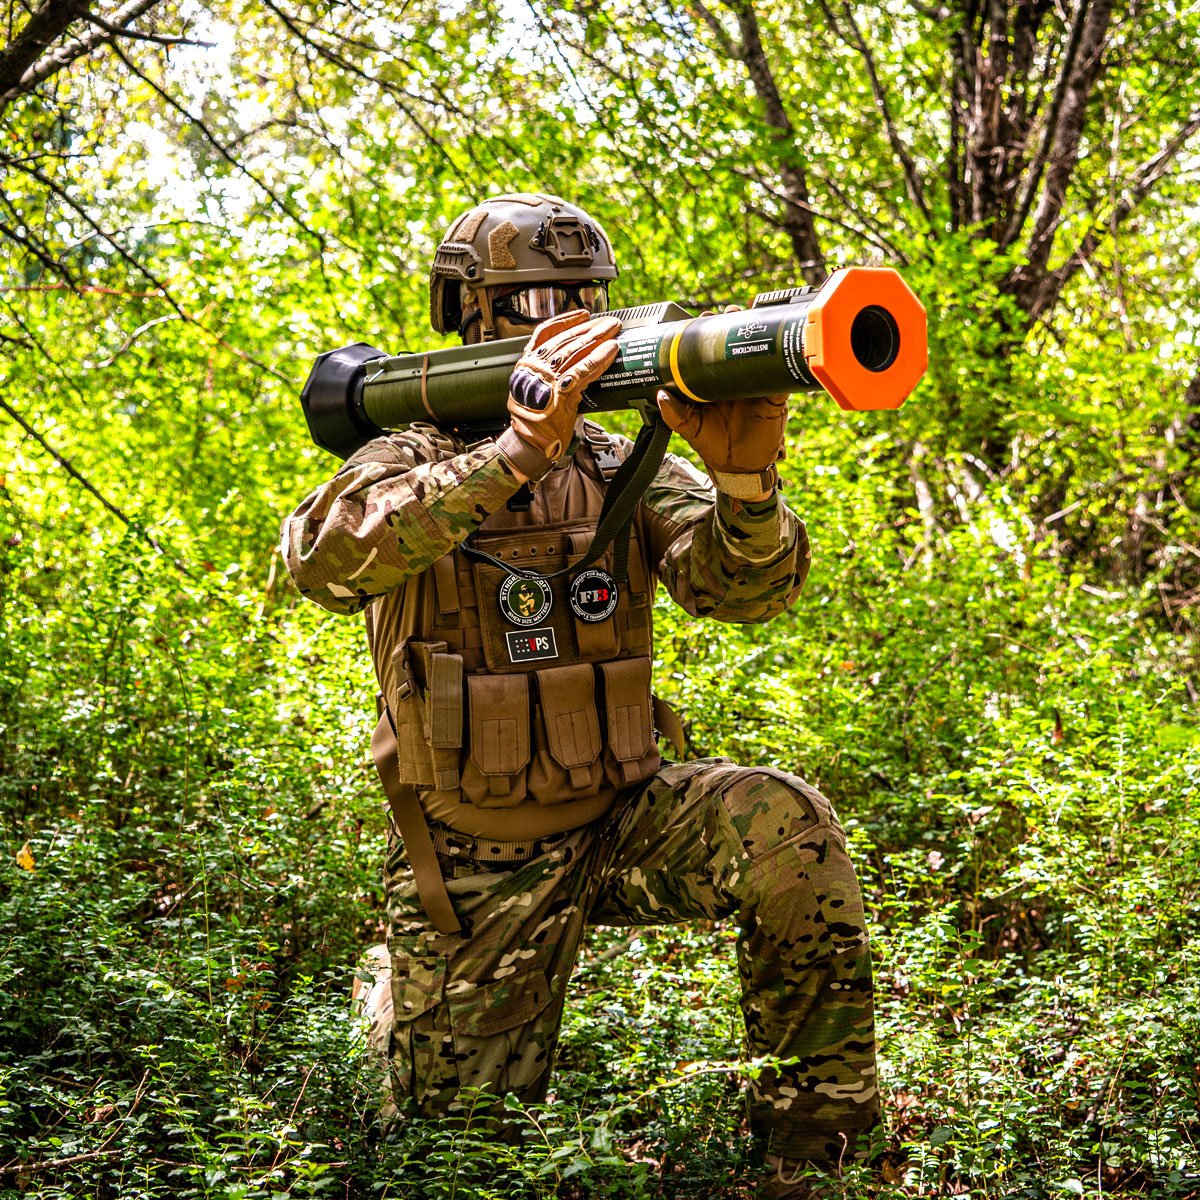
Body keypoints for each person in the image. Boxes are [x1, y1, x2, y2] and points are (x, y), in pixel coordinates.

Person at [280, 192, 880, 1197]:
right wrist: (511, 458)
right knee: (459, 1162)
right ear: (469, 315)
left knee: (787, 824)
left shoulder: (619, 461)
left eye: (584, 297)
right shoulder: (408, 455)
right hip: (474, 863)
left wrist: (746, 489)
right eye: (533, 300)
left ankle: (811, 1161)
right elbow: (324, 564)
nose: (564, 317)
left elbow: (743, 594)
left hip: (620, 824)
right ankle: (397, 999)